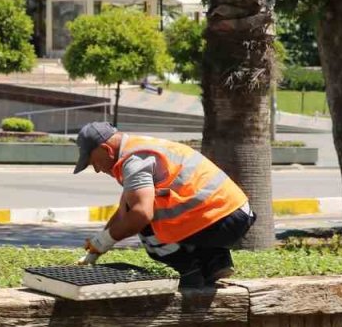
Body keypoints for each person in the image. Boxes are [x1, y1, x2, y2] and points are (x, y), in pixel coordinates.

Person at [72, 121, 256, 288]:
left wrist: (104, 241)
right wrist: (97, 247)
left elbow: (140, 214)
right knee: (145, 211)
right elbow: (124, 211)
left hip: (222, 218)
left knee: (148, 230)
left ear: (106, 149)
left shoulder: (134, 161)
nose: (97, 169)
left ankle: (190, 273)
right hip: (235, 213)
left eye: (94, 162)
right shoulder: (139, 147)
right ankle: (216, 262)